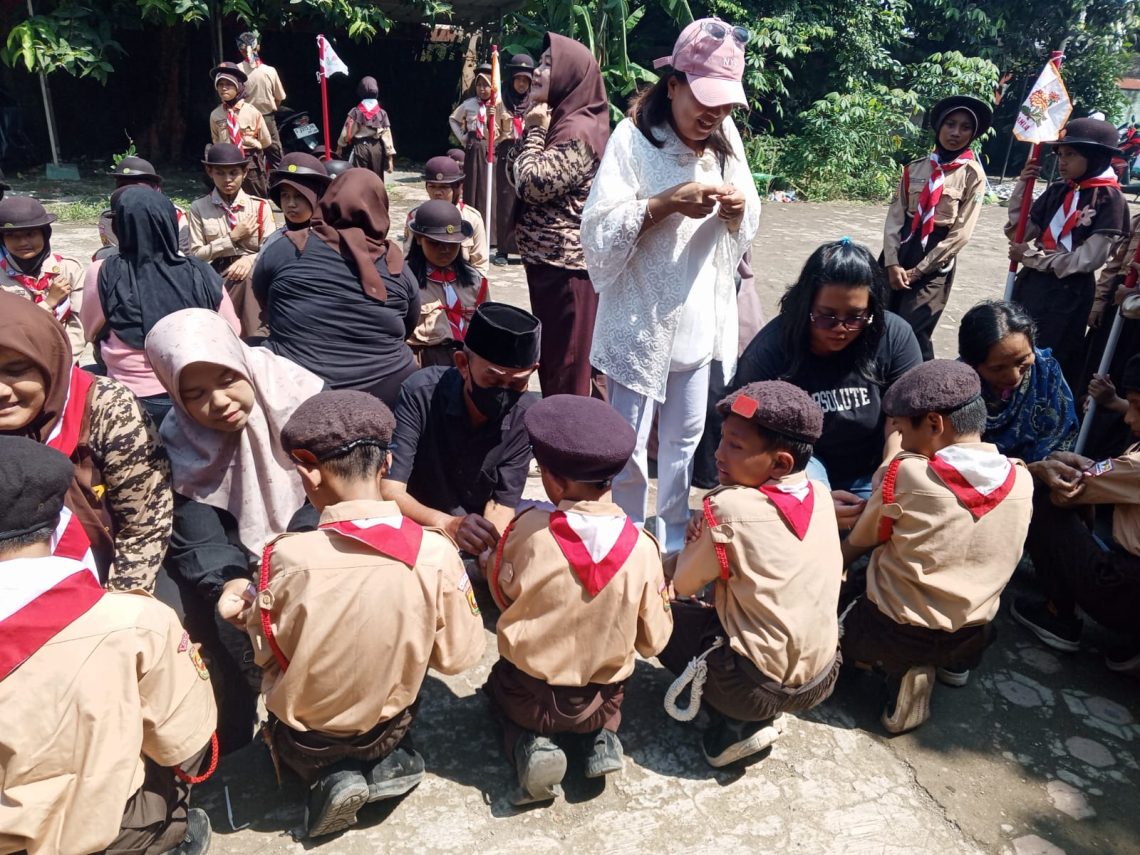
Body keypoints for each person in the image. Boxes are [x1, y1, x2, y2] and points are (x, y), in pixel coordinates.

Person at [217, 390, 485, 837]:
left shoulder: (285, 558)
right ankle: (385, 762)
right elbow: (458, 658)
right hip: (389, 725)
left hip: (308, 740)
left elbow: (268, 653)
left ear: (308, 471)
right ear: (386, 464)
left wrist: (244, 617)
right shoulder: (435, 552)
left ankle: (329, 777)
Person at [582, 18, 761, 552]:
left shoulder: (725, 138)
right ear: (674, 84)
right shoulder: (633, 139)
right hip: (640, 321)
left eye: (725, 105)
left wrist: (736, 210)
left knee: (684, 441)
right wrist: (662, 205)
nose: (713, 114)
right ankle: (627, 540)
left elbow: (750, 214)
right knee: (629, 444)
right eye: (704, 100)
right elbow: (597, 231)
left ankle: (674, 541)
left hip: (698, 318)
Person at [0, 436, 217, 855]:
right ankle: (166, 837)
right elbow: (185, 741)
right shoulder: (134, 620)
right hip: (109, 832)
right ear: (60, 522)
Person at [145, 308, 324, 753]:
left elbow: (333, 487)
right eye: (196, 394)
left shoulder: (299, 398)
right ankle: (238, 733)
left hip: (315, 549)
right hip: (242, 567)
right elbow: (194, 525)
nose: (219, 401)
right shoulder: (177, 439)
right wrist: (227, 580)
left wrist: (294, 554)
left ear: (242, 362)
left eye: (228, 379)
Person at [485, 394, 673, 805]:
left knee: (498, 687)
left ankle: (531, 746)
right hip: (601, 700)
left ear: (552, 480)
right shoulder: (643, 548)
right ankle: (599, 740)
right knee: (605, 701)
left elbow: (502, 594)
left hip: (532, 696)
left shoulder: (528, 530)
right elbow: (654, 642)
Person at [841, 360, 1033, 734]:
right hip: (972, 635)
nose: (901, 440)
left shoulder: (907, 473)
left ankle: (896, 669)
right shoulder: (1022, 479)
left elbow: (861, 541)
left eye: (901, 429)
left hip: (894, 632)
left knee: (840, 610)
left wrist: (836, 568)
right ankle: (952, 665)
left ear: (933, 424)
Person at [661, 381, 841, 766]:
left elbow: (682, 584)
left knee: (655, 609)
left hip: (749, 689)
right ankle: (758, 711)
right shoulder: (822, 495)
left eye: (735, 446)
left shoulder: (729, 508)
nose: (718, 453)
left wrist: (694, 540)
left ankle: (733, 727)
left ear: (780, 464)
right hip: (821, 678)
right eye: (722, 439)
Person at [736, 239, 923, 528]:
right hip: (798, 463)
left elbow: (907, 417)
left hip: (871, 463)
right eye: (827, 317)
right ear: (805, 305)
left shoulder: (895, 336)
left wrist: (892, 463)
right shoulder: (770, 350)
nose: (840, 328)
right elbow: (742, 428)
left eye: (855, 317)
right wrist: (808, 498)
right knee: (810, 521)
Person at [0, 291, 171, 590]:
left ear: (48, 359)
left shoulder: (106, 407)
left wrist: (116, 606)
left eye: (15, 370)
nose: (2, 391)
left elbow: (145, 524)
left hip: (105, 586)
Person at [382, 302, 540, 572]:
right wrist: (446, 524)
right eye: (493, 380)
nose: (504, 393)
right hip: (416, 525)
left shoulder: (524, 415)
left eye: (517, 384)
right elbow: (390, 489)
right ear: (463, 364)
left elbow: (501, 503)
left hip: (473, 531)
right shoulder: (421, 393)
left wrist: (489, 549)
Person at [1012, 353, 1140, 673]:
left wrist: (1048, 464)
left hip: (1125, 590)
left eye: (1138, 406)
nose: (1129, 418)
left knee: (1044, 494)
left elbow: (1069, 489)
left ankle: (1058, 615)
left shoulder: (1135, 466)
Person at [252, 168, 420, 408]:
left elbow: (262, 296)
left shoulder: (288, 248)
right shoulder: (396, 265)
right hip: (385, 388)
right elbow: (408, 324)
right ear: (380, 208)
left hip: (299, 385)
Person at [81, 187, 241, 427]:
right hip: (193, 393)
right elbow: (232, 329)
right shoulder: (200, 270)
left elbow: (90, 330)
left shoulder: (102, 271)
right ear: (170, 224)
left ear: (120, 227)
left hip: (129, 397)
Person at [516, 34, 610, 398]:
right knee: (557, 364)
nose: (538, 72)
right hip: (550, 266)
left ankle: (570, 433)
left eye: (548, 64)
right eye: (540, 63)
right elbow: (518, 174)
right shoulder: (562, 120)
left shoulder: (578, 130)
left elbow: (531, 183)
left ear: (570, 76)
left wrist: (534, 131)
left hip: (567, 272)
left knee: (568, 370)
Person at [1008, 117, 1131, 390]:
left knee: (1047, 358)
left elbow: (1087, 259)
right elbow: (1021, 233)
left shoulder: (1110, 200)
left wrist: (1031, 258)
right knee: (1012, 346)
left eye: (1071, 154)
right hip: (1032, 284)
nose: (1062, 162)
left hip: (1068, 294)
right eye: (1060, 154)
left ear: (1095, 156)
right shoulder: (1059, 190)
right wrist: (1022, 186)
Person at [882, 95, 991, 360]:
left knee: (914, 328)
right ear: (939, 126)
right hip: (901, 252)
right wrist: (891, 263)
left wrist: (919, 271)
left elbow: (961, 233)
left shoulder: (972, 175)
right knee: (879, 319)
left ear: (973, 134)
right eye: (950, 124)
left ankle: (920, 380)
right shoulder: (915, 169)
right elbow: (895, 218)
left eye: (965, 127)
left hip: (934, 261)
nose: (956, 133)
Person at [958, 300, 1077, 463]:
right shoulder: (957, 388)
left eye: (1023, 360)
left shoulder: (1046, 372)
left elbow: (1062, 435)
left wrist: (1045, 465)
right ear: (972, 364)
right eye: (998, 368)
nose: (1014, 377)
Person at [188, 142, 277, 338]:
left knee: (250, 283)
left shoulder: (260, 206)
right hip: (215, 275)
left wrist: (249, 260)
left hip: (253, 274)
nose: (227, 179)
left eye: (233, 173)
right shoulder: (199, 208)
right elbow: (195, 255)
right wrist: (232, 238)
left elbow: (270, 249)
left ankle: (254, 340)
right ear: (210, 172)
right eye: (220, 173)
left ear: (245, 172)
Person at [0, 196, 85, 362]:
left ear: (45, 234)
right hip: (16, 363)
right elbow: (9, 327)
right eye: (12, 236)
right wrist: (49, 302)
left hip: (65, 360)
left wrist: (62, 362)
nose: (22, 242)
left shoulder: (69, 269)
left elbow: (79, 324)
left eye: (30, 234)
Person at [405, 199, 489, 368]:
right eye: (435, 243)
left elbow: (486, 329)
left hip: (468, 363)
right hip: (424, 364)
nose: (445, 250)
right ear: (419, 239)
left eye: (452, 244)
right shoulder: (404, 280)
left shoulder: (475, 281)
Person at [403, 155, 488, 275]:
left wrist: (472, 284)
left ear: (457, 188)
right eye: (432, 186)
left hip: (462, 280)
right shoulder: (416, 217)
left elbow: (480, 264)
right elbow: (408, 258)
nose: (437, 192)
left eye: (444, 187)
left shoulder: (472, 218)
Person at [492, 53, 533, 266]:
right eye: (518, 79)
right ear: (511, 79)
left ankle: (526, 249)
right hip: (506, 153)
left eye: (526, 80)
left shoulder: (536, 104)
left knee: (527, 202)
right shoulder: (500, 103)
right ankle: (503, 250)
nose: (522, 84)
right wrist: (491, 121)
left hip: (529, 154)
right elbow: (494, 133)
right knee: (506, 201)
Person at [208, 62, 272, 198]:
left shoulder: (252, 112)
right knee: (228, 199)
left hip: (250, 164)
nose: (223, 88)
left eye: (229, 84)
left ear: (238, 87)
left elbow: (266, 141)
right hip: (226, 163)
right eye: (220, 84)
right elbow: (216, 140)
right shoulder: (215, 115)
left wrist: (249, 144)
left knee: (256, 199)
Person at [106, 156, 191, 253]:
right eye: (122, 186)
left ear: (156, 189)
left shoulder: (175, 215)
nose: (128, 193)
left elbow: (182, 253)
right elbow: (114, 250)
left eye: (136, 187)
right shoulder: (109, 216)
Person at [449, 62, 494, 220]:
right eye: (479, 85)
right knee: (472, 182)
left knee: (487, 184)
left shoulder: (497, 105)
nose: (482, 89)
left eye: (486, 85)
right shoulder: (469, 104)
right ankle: (470, 217)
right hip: (473, 147)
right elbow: (453, 119)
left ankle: (487, 220)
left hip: (490, 148)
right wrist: (463, 137)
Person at [237, 31, 286, 170]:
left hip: (244, 120)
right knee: (276, 156)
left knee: (245, 154)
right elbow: (279, 98)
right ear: (257, 47)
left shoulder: (236, 70)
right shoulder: (269, 71)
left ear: (240, 50)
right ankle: (280, 179)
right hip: (266, 118)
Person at [264, 151, 331, 249]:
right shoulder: (274, 240)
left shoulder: (331, 241)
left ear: (318, 197)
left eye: (299, 196)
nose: (291, 204)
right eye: (285, 195)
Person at [337, 76, 396, 178]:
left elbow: (347, 131)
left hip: (361, 148)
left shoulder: (356, 112)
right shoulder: (382, 113)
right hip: (376, 149)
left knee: (359, 178)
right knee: (376, 178)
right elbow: (387, 136)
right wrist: (390, 159)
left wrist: (340, 147)